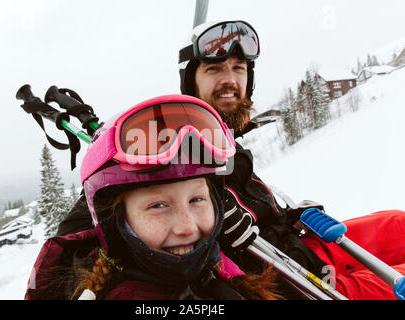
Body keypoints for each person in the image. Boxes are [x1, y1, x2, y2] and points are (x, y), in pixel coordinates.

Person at [177, 20, 405, 300]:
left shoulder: (227, 143)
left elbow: (258, 210)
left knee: (398, 223)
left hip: (303, 247)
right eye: (214, 69)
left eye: (239, 68)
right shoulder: (181, 157)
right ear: (190, 81)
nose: (230, 80)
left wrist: (289, 216)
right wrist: (213, 236)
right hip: (295, 282)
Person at [25, 94, 282, 300]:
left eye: (196, 200)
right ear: (115, 220)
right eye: (158, 205)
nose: (187, 227)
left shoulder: (219, 265)